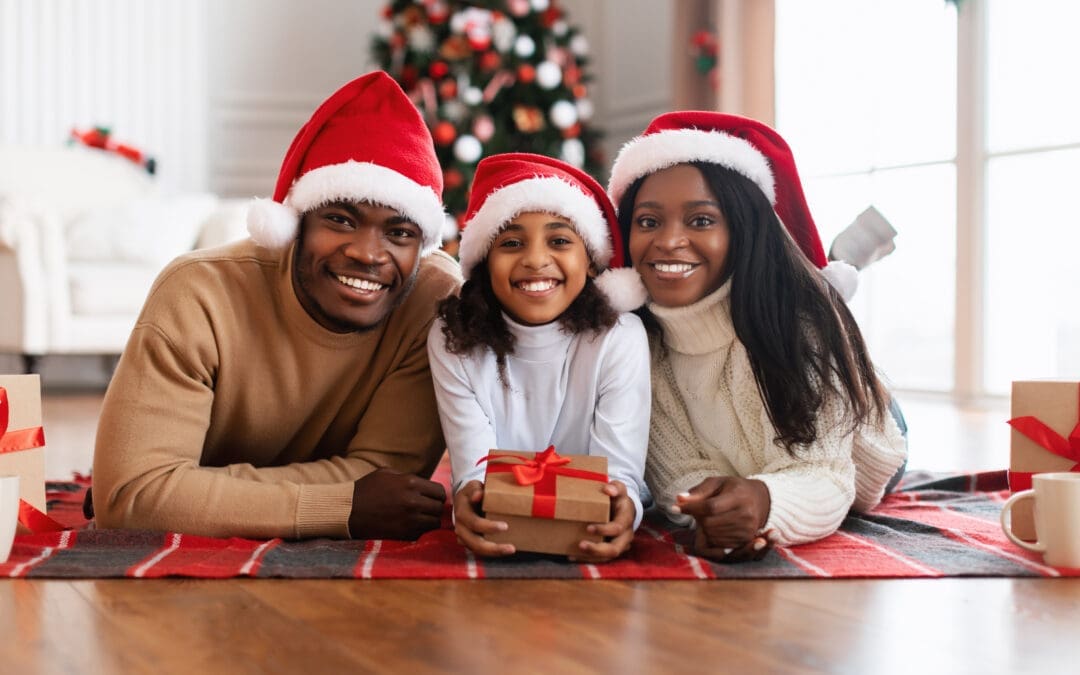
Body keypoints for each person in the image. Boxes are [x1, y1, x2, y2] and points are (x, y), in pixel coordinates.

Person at [89, 71, 462, 540]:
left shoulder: (433, 304)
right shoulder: (199, 294)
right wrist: (339, 505)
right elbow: (133, 498)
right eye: (341, 219)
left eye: (400, 232)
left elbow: (384, 479)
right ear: (294, 223)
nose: (368, 253)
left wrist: (191, 495)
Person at [604, 111, 908, 562]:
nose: (668, 241)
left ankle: (836, 268)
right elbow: (677, 471)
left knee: (824, 313)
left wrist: (766, 503)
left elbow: (828, 476)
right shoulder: (636, 344)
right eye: (648, 222)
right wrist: (711, 508)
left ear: (743, 230)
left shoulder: (800, 329)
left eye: (701, 221)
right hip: (742, 455)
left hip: (863, 435)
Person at [428, 153, 650, 562]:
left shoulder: (619, 338)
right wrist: (468, 495)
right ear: (484, 261)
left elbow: (620, 469)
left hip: (588, 515)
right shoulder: (453, 338)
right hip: (504, 523)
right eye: (511, 243)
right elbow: (473, 464)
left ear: (590, 259)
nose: (534, 259)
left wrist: (625, 509)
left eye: (560, 240)